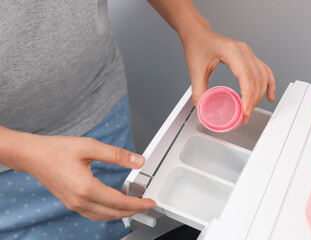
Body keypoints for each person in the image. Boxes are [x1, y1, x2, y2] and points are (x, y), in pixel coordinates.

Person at [0, 0, 276, 239]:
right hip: (7, 175)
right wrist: (24, 153)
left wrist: (195, 27)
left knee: (122, 219)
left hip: (99, 106)